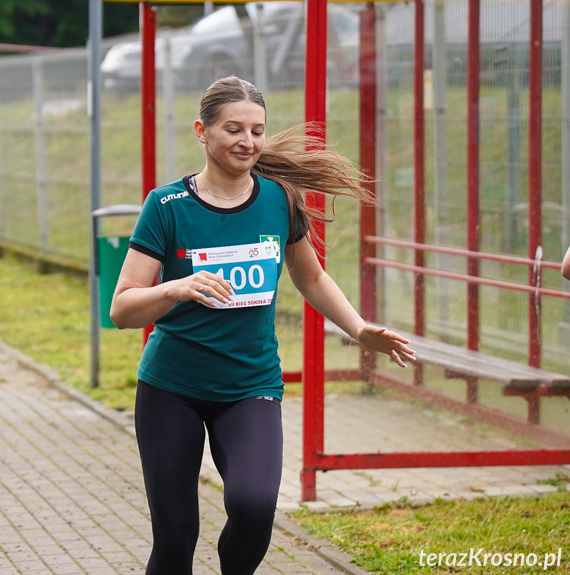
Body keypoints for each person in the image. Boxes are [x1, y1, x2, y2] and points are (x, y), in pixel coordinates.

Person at [109, 76, 416, 575]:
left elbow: (311, 277)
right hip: (171, 388)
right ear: (202, 132)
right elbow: (122, 310)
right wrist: (177, 288)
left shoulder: (279, 199)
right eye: (233, 129)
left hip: (249, 386)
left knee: (254, 509)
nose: (247, 142)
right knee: (175, 536)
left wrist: (358, 330)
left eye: (257, 131)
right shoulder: (165, 207)